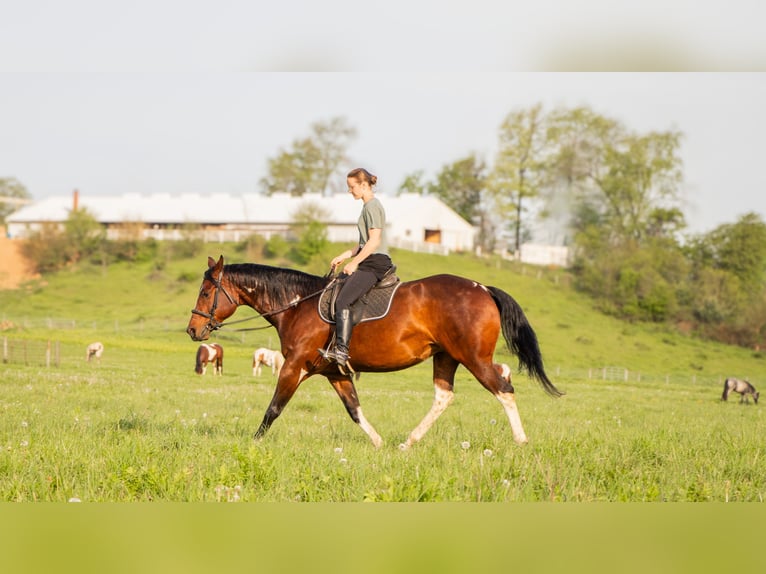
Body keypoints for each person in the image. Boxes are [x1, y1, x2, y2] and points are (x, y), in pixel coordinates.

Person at [320, 167, 394, 367]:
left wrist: (355, 263)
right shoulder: (367, 206)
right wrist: (344, 256)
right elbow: (362, 243)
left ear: (363, 185)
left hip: (375, 263)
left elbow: (374, 241)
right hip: (367, 259)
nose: (350, 191)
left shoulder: (372, 206)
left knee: (343, 300)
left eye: (352, 187)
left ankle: (342, 352)